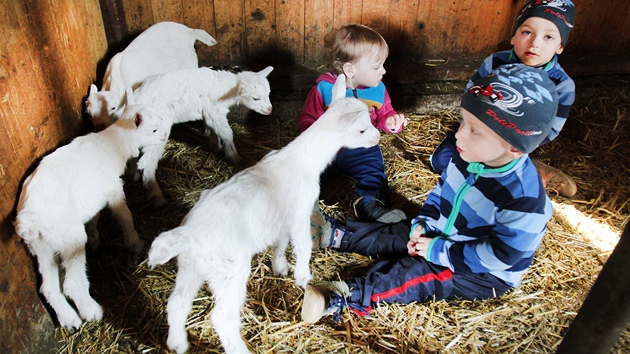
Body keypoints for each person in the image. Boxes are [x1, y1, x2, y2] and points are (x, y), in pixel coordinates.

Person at [302, 64, 558, 323]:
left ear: (514, 147)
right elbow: (440, 194)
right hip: (445, 233)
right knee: (398, 233)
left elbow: (500, 256)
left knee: (419, 275)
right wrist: (424, 223)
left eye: (474, 130)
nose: (458, 135)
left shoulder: (524, 201)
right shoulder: (465, 156)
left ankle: (346, 296)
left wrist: (438, 251)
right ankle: (334, 234)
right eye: (463, 122)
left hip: (481, 271)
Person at [432, 0, 577, 198]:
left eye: (549, 37)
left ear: (560, 46)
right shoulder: (495, 62)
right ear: (513, 36)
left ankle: (533, 172)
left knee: (507, 184)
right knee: (439, 160)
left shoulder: (561, 85)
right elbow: (470, 96)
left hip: (511, 148)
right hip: (476, 135)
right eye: (527, 32)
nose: (535, 43)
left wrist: (511, 148)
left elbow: (549, 130)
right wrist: (472, 130)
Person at [299, 24, 408, 223]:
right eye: (376, 67)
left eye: (383, 64)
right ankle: (305, 206)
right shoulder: (323, 89)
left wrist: (391, 122)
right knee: (307, 172)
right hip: (327, 149)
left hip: (361, 147)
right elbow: (307, 120)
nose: (383, 71)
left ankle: (372, 205)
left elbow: (385, 114)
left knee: (373, 170)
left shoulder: (377, 89)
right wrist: (321, 134)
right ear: (350, 69)